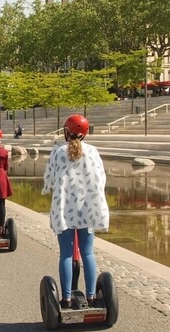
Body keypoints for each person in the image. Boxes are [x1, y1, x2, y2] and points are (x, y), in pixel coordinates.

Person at [41, 114, 109, 309]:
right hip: (87, 209)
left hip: (64, 210)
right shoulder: (93, 151)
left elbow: (49, 180)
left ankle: (67, 298)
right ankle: (91, 297)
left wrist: (48, 188)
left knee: (66, 254)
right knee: (87, 253)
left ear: (66, 131)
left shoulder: (57, 152)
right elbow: (101, 179)